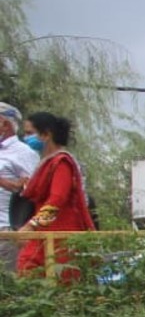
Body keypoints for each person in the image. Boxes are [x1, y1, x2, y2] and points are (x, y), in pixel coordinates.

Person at [16, 111, 95, 280]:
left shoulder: (61, 163)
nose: (25, 138)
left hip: (61, 232)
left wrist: (30, 226)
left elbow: (57, 199)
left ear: (46, 135)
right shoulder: (46, 163)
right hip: (44, 231)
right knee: (27, 270)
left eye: (30, 133)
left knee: (61, 279)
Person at [0, 102, 41, 272]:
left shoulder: (23, 152)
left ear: (5, 124)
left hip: (6, 232)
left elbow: (33, 190)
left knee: (8, 289)